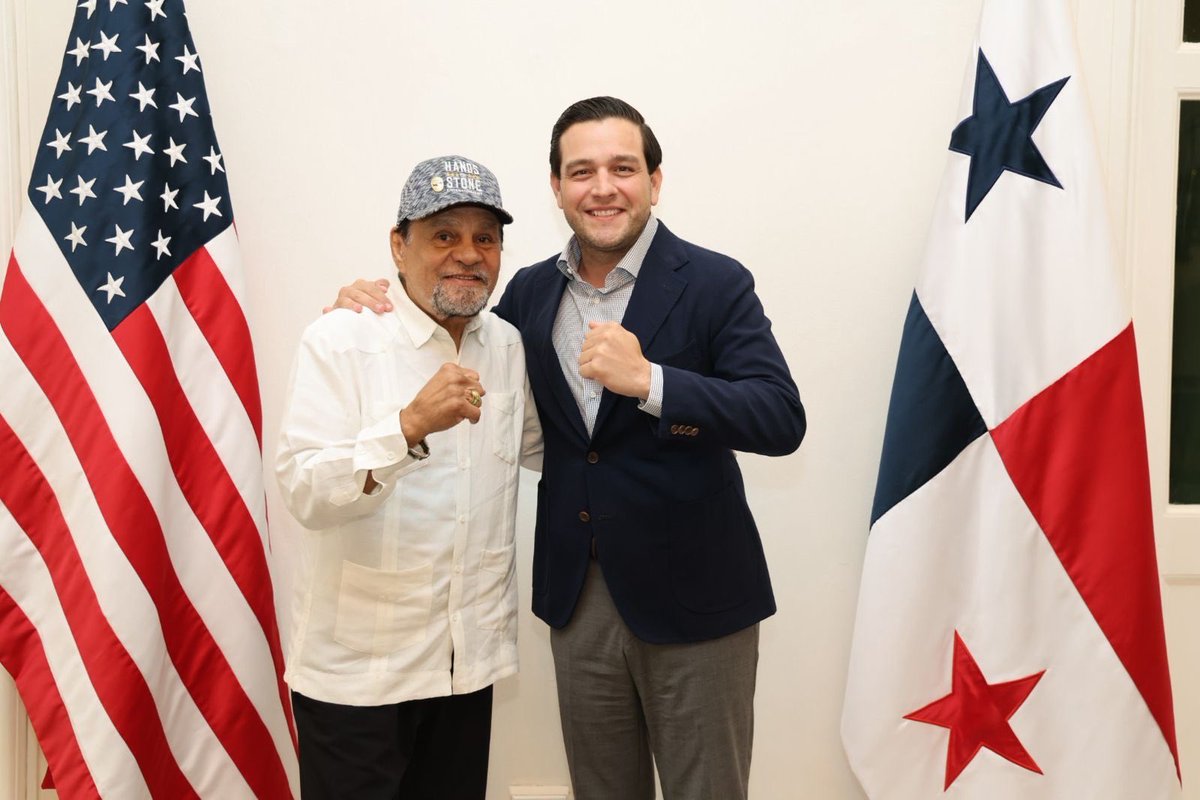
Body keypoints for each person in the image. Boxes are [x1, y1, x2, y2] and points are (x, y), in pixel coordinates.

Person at [333, 98, 805, 800]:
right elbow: (455, 329)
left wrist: (653, 383)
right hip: (577, 600)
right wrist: (378, 300)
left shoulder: (714, 282)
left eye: (623, 167)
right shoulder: (526, 293)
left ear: (654, 180)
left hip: (698, 603)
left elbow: (779, 417)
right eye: (581, 171)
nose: (603, 187)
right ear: (556, 189)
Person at [276, 154, 541, 799]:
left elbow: (546, 450)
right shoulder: (340, 340)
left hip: (464, 667)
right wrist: (406, 428)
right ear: (400, 247)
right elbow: (304, 489)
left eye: (485, 237)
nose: (467, 254)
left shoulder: (506, 346)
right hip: (359, 676)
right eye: (443, 235)